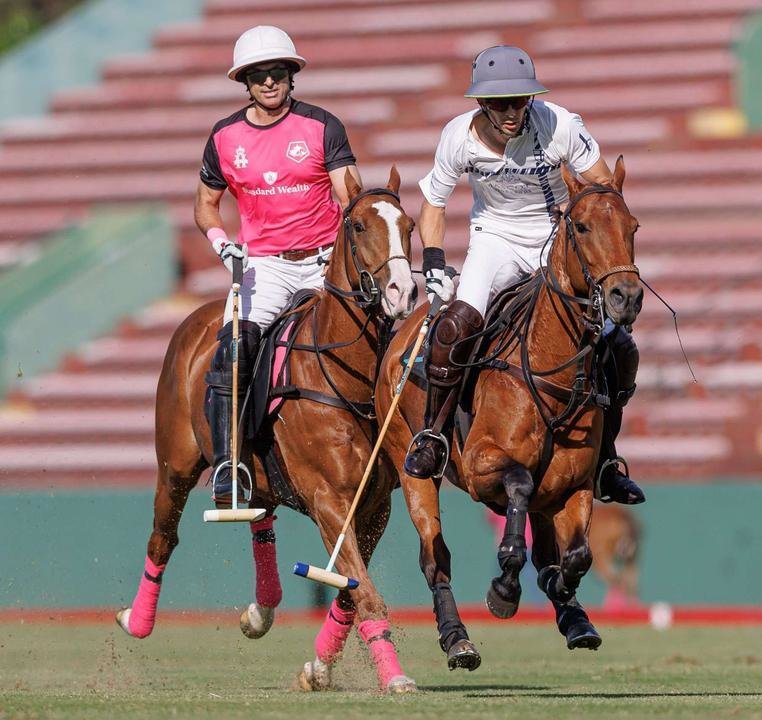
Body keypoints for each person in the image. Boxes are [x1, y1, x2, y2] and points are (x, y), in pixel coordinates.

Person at [403, 45, 644, 505]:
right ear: (481, 105)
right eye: (500, 104)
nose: (511, 113)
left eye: (519, 102)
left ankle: (607, 460)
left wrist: (602, 242)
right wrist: (433, 263)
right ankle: (433, 436)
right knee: (454, 327)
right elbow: (433, 203)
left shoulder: (560, 125)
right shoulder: (458, 137)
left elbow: (600, 189)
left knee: (618, 345)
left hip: (555, 239)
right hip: (494, 238)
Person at [194, 25, 362, 506]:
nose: (269, 82)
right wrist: (221, 241)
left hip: (326, 260)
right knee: (234, 347)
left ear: (292, 76)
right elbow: (206, 203)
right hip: (265, 264)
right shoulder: (224, 137)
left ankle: (417, 442)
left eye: (278, 73)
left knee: (389, 331)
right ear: (244, 81)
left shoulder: (322, 125)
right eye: (259, 75)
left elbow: (352, 195)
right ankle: (230, 464)